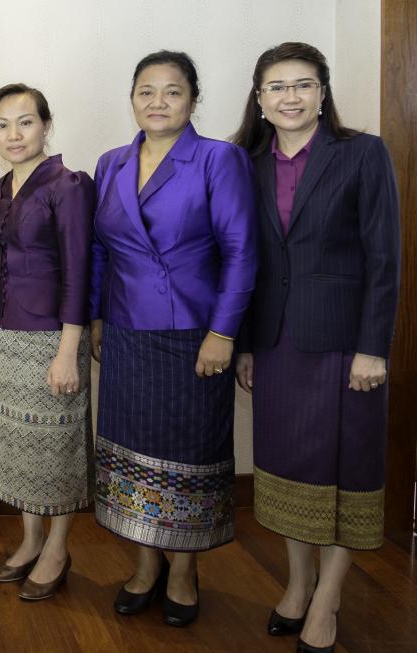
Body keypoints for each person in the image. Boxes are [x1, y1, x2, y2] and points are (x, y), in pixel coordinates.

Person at [232, 42, 400, 653]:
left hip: (343, 348)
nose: (290, 97)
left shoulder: (362, 154)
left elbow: (386, 259)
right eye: (277, 86)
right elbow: (243, 261)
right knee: (286, 471)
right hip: (275, 344)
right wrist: (245, 345)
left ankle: (327, 601)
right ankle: (298, 587)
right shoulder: (245, 162)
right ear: (259, 99)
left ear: (323, 92)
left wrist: (373, 348)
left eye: (303, 84)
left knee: (342, 471)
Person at [89, 51, 256, 626]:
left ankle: (183, 571)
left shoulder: (218, 159)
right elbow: (100, 251)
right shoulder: (111, 163)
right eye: (146, 91)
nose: (157, 102)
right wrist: (95, 318)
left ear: (192, 99)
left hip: (193, 334)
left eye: (172, 91)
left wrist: (223, 333)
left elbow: (240, 252)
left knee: (187, 455)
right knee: (132, 453)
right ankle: (144, 562)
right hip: (126, 333)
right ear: (131, 97)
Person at [0, 84, 94, 599]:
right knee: (17, 450)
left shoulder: (67, 184)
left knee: (56, 448)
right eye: (2, 124)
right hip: (0, 332)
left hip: (51, 337)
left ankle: (58, 547)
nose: (14, 134)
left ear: (46, 124)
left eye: (25, 122)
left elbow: (79, 271)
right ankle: (29, 541)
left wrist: (70, 349)